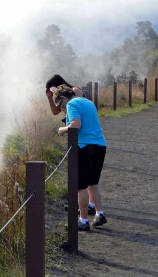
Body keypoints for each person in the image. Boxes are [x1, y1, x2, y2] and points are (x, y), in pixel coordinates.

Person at [54, 85, 107, 231]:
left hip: (84, 146)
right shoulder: (87, 102)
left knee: (81, 186)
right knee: (93, 183)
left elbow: (76, 125)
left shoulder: (71, 104)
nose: (62, 108)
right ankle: (99, 213)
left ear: (63, 98)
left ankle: (83, 221)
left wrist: (62, 130)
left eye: (60, 105)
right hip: (100, 145)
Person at [45, 75, 96, 215]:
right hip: (77, 135)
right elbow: (56, 111)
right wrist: (50, 96)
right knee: (83, 174)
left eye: (52, 87)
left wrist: (59, 92)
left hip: (84, 133)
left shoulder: (75, 90)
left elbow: (75, 101)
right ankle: (85, 204)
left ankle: (89, 205)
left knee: (86, 175)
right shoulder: (59, 97)